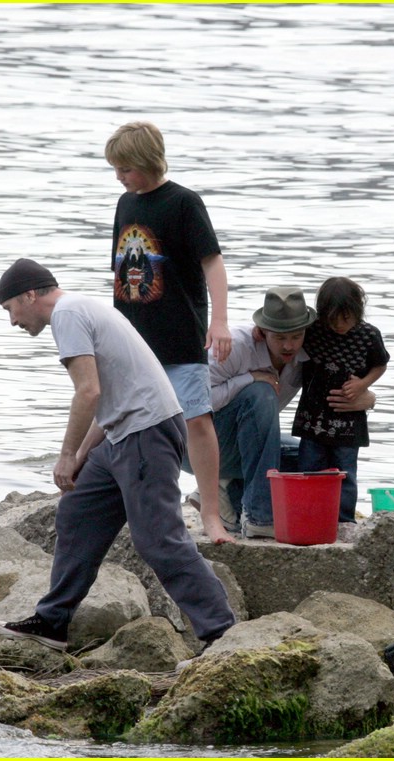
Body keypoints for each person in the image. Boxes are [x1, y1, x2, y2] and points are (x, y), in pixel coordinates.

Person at [0, 258, 234, 651]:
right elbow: (109, 399)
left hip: (147, 434)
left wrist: (66, 454)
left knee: (159, 540)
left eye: (10, 310)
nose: (13, 321)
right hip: (124, 433)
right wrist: (84, 457)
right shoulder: (80, 309)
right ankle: (53, 621)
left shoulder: (67, 316)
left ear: (29, 295)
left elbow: (87, 393)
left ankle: (221, 632)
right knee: (77, 512)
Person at [104, 121, 235, 545]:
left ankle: (212, 515)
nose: (120, 177)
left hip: (180, 334)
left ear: (146, 161)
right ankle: (132, 506)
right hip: (131, 336)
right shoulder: (125, 203)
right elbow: (119, 270)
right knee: (125, 422)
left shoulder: (184, 202)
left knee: (196, 419)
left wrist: (219, 321)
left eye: (125, 168)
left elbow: (212, 263)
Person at [209, 287, 377, 539]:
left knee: (316, 457)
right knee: (260, 393)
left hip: (245, 444)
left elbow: (341, 379)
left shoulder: (307, 354)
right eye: (279, 338)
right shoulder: (235, 347)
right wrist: (248, 379)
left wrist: (368, 398)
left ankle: (228, 492)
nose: (288, 346)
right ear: (263, 331)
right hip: (204, 445)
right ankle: (259, 517)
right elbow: (193, 403)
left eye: (296, 336)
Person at [293, 277, 389, 524]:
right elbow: (286, 336)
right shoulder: (313, 331)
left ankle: (344, 520)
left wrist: (363, 384)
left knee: (345, 472)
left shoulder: (368, 335)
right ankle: (309, 518)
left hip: (348, 420)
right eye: (333, 320)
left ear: (357, 312)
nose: (339, 326)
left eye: (345, 319)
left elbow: (380, 365)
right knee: (310, 469)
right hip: (313, 417)